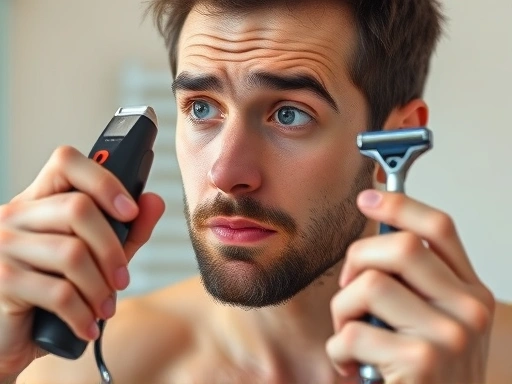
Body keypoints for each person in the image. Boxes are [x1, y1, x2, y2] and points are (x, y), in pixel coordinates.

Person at [1, 0, 511, 383]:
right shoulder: (68, 369)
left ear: (392, 139)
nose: (226, 173)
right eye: (202, 108)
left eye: (289, 114)